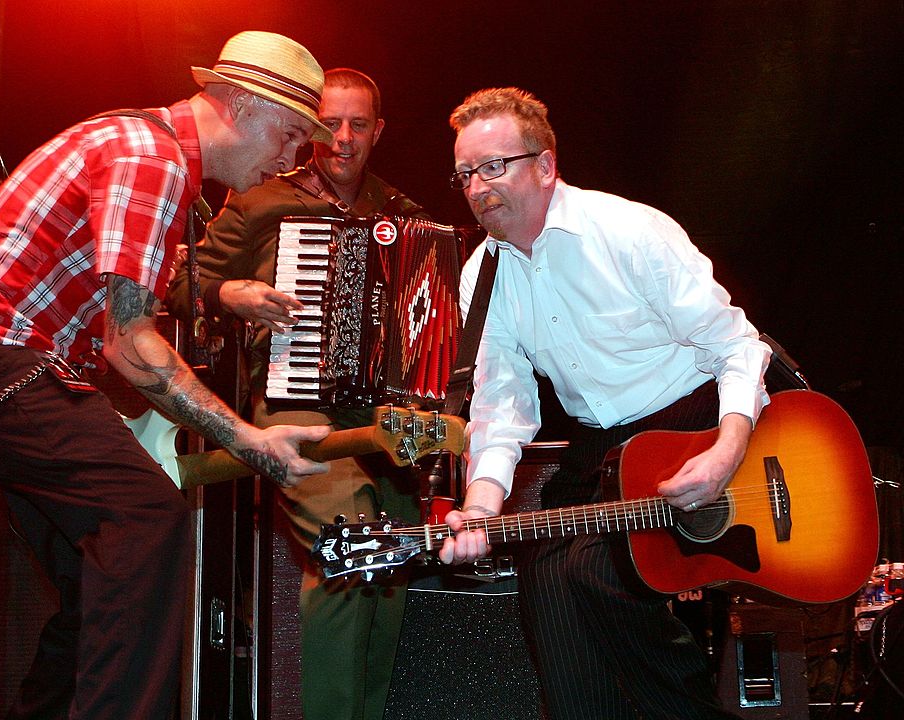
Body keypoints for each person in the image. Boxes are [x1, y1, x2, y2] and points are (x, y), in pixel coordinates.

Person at [0, 31, 335, 719]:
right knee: (147, 521)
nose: (293, 158)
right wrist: (247, 439)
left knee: (100, 584)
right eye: (292, 133)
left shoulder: (139, 143)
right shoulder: (155, 158)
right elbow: (129, 341)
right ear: (236, 102)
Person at [437, 87, 771, 719]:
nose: (477, 187)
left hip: (693, 423)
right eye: (464, 174)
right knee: (545, 582)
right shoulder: (482, 273)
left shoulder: (630, 232)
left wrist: (728, 450)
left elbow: (734, 345)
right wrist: (480, 507)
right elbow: (502, 402)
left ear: (544, 165)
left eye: (492, 167)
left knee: (596, 569)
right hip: (601, 450)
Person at [167, 68, 427, 720]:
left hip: (383, 419)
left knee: (386, 577)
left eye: (357, 124)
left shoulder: (402, 216)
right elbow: (179, 283)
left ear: (378, 130)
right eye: (328, 124)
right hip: (298, 405)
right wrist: (229, 293)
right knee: (349, 545)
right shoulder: (262, 202)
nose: (341, 138)